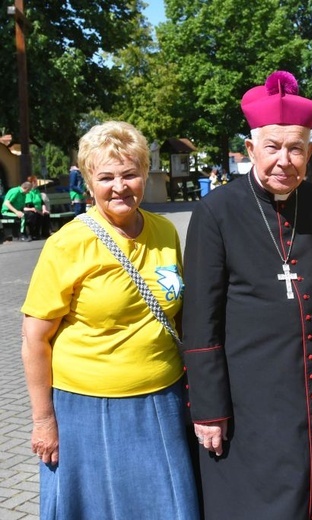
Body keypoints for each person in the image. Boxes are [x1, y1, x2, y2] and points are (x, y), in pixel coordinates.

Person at [180, 70, 312, 520]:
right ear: (250, 150)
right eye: (273, 147)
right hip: (247, 399)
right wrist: (208, 408)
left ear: (310, 151)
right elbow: (200, 318)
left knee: (308, 498)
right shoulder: (216, 211)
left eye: (296, 148)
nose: (285, 160)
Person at [21, 121, 199, 520]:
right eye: (106, 177)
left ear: (144, 174)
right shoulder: (68, 243)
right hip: (86, 408)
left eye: (130, 173)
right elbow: (34, 338)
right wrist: (43, 420)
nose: (120, 186)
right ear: (88, 182)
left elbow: (181, 310)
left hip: (163, 400)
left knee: (162, 505)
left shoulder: (165, 231)